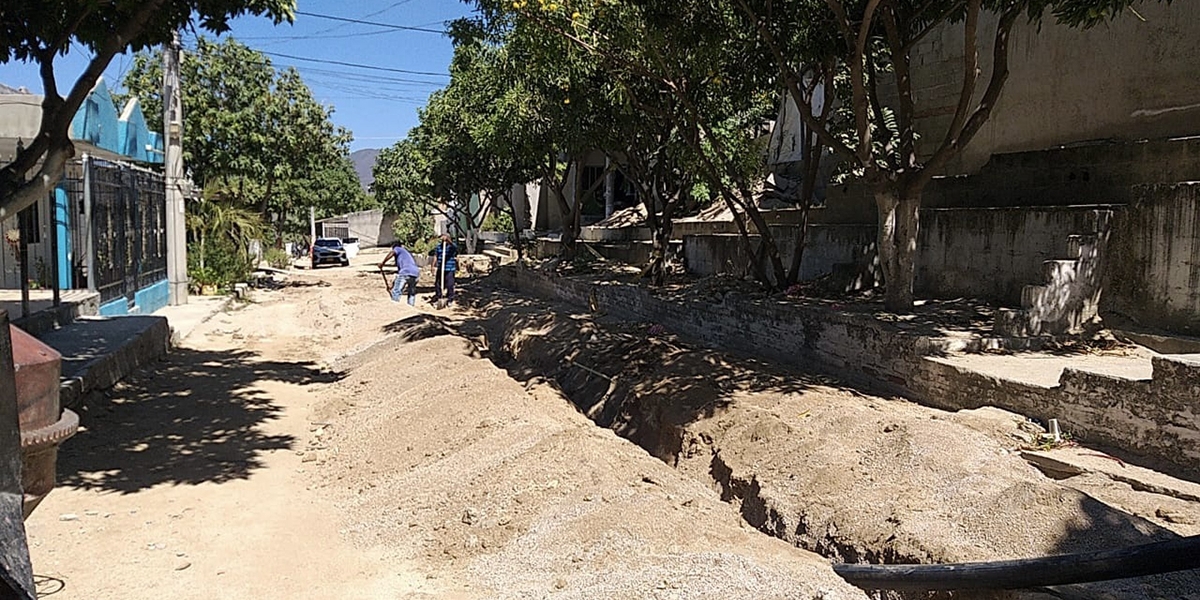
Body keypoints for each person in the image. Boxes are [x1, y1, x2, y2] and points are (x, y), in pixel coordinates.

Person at [379, 240, 421, 305]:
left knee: (396, 291)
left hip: (406, 272)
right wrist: (392, 285)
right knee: (411, 293)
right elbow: (400, 275)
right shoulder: (405, 253)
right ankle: (411, 307)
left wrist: (382, 263)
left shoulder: (398, 249)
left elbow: (392, 252)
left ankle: (395, 306)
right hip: (415, 273)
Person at [428, 233, 458, 305]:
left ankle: (450, 299)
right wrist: (432, 266)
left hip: (450, 269)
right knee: (438, 284)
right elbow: (436, 256)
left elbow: (455, 248)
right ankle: (439, 297)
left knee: (450, 284)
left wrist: (448, 240)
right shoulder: (438, 247)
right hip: (440, 268)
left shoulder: (451, 247)